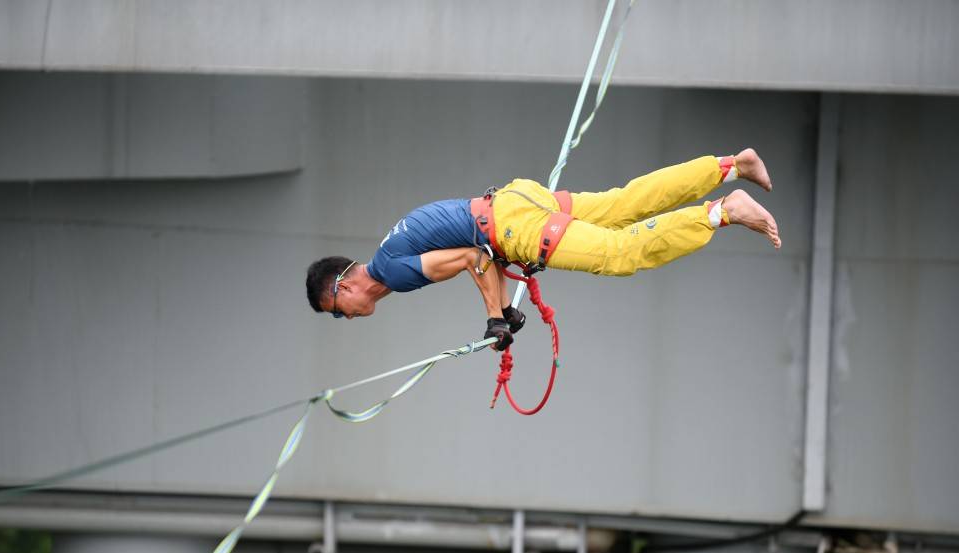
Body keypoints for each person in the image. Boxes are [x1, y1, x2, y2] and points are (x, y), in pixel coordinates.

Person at [305, 149, 780, 350]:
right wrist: (502, 311)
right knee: (623, 203)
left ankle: (723, 211)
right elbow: (475, 255)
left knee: (618, 253)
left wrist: (495, 317)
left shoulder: (393, 272)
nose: (343, 317)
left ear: (344, 285)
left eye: (336, 309)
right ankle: (731, 165)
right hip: (513, 200)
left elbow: (475, 257)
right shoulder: (391, 253)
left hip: (511, 227)